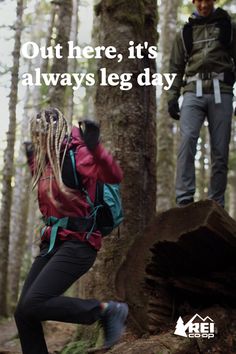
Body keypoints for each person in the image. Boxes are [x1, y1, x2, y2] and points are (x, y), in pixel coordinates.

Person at [14, 108, 128, 354]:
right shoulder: (45, 160)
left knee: (35, 302)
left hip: (79, 245)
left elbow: (113, 175)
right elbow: (50, 189)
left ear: (55, 132)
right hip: (52, 244)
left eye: (43, 132)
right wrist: (32, 159)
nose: (39, 137)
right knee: (23, 311)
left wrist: (96, 148)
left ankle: (106, 311)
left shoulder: (79, 155)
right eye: (36, 133)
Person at [168, 0, 236, 207]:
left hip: (221, 91)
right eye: (199, 0)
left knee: (220, 149)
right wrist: (172, 96)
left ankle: (216, 203)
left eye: (207, 0)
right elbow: (175, 67)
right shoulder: (185, 32)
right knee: (187, 141)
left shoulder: (228, 27)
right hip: (192, 92)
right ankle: (184, 200)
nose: (204, 5)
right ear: (194, 2)